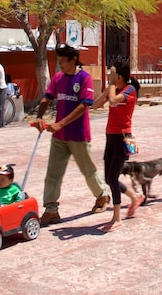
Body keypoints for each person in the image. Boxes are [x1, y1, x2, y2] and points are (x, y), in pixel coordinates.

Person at [30, 44, 110, 226]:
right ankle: (51, 209)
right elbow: (47, 97)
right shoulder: (58, 78)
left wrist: (60, 124)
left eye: (63, 61)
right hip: (59, 137)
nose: (60, 65)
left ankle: (102, 196)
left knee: (87, 170)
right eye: (58, 61)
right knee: (53, 173)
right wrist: (40, 117)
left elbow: (84, 105)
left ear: (73, 60)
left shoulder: (84, 78)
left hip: (78, 135)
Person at [92, 62, 144, 232]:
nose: (109, 76)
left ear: (119, 77)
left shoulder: (129, 90)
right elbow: (96, 105)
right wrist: (109, 88)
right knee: (108, 178)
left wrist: (112, 86)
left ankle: (116, 218)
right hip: (110, 137)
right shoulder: (114, 88)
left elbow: (113, 102)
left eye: (112, 74)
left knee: (113, 178)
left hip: (123, 138)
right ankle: (134, 196)